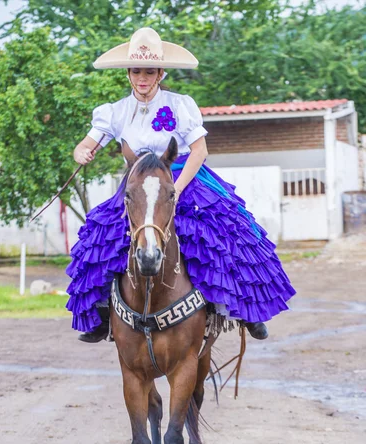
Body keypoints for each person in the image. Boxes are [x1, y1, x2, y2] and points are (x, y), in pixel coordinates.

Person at [66, 27, 296, 343]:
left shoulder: (179, 104)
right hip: (139, 184)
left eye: (149, 71)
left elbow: (199, 150)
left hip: (182, 177)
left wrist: (177, 190)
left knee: (228, 232)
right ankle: (102, 314)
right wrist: (83, 152)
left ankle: (244, 312)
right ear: (128, 73)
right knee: (99, 234)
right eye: (136, 71)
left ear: (160, 73)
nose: (142, 77)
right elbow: (85, 144)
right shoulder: (114, 112)